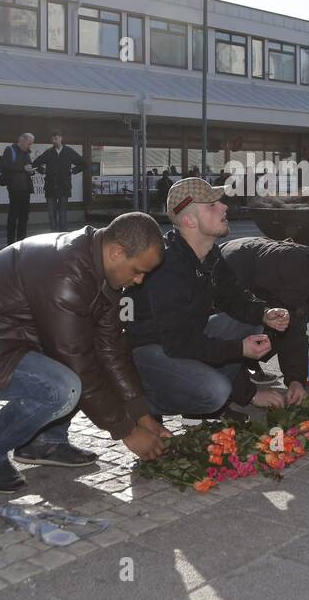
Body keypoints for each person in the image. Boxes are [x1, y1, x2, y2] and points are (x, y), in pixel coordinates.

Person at [0, 212, 170, 492]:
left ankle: (45, 443)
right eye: (137, 270)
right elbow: (76, 360)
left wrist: (142, 415)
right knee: (64, 386)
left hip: (16, 339)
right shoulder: (66, 275)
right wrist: (128, 432)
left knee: (72, 367)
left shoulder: (101, 269)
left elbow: (111, 349)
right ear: (117, 252)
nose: (140, 280)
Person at [125, 178, 294, 421]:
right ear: (189, 220)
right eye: (212, 205)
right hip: (148, 354)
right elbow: (178, 343)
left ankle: (203, 408)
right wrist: (242, 362)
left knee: (248, 320)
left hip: (179, 342)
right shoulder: (166, 265)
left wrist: (265, 313)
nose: (223, 207)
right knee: (215, 390)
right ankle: (146, 405)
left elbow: (234, 298)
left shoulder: (209, 254)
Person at [220, 237, 309, 403]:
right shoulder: (232, 267)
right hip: (210, 328)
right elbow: (212, 340)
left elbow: (294, 326)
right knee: (242, 323)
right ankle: (239, 369)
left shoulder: (285, 267)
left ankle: (250, 360)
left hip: (259, 294)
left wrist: (296, 380)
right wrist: (249, 394)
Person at [35, 131, 84, 232]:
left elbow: (83, 163)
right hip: (50, 186)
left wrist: (72, 171)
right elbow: (35, 164)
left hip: (64, 186)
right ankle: (53, 234)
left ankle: (63, 234)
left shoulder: (68, 151)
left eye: (56, 138)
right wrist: (43, 171)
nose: (54, 141)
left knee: (62, 213)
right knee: (51, 213)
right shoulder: (48, 152)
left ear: (61, 138)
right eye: (53, 139)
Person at [0, 132, 37, 243]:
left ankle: (21, 241)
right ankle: (10, 242)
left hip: (26, 188)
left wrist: (31, 170)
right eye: (29, 143)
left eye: (31, 144)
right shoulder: (10, 150)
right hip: (15, 187)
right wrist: (23, 168)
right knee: (13, 215)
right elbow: (7, 166)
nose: (30, 146)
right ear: (22, 140)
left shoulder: (27, 153)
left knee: (24, 216)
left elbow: (28, 167)